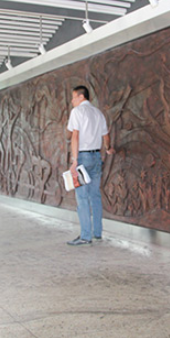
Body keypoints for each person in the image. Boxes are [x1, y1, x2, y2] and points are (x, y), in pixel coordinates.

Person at [66, 85, 114, 246]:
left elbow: (75, 136)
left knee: (82, 197)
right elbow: (106, 136)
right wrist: (108, 148)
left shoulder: (77, 112)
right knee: (95, 196)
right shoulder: (98, 113)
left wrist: (74, 160)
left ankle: (85, 236)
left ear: (81, 97)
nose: (72, 101)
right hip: (96, 157)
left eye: (73, 97)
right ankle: (97, 233)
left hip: (83, 158)